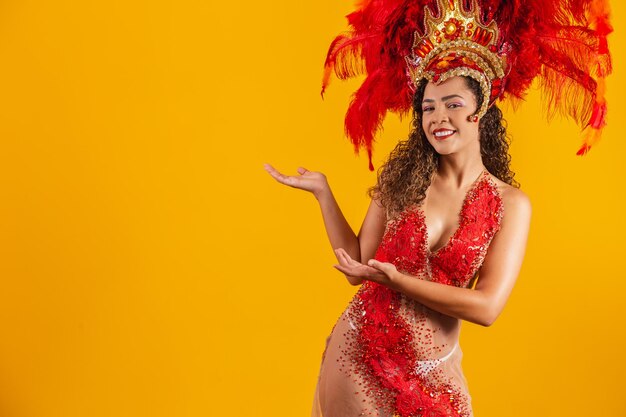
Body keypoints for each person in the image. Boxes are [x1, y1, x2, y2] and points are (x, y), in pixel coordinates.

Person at [265, 1, 611, 415]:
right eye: (428, 107)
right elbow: (358, 265)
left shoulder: (510, 204)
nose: (438, 117)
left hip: (435, 373)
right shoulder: (401, 181)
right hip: (358, 355)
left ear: (480, 109)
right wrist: (323, 192)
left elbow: (486, 308)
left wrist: (397, 281)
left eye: (453, 104)